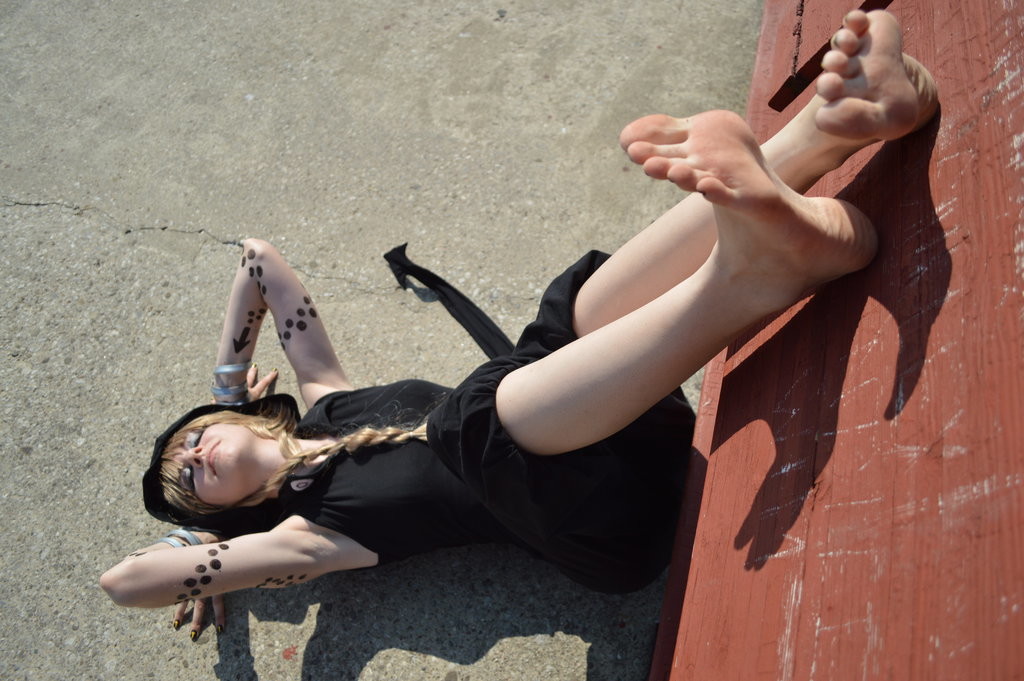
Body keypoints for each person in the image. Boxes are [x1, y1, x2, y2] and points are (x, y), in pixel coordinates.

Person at [102, 9, 938, 642]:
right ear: (224, 514)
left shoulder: (329, 398)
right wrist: (200, 545)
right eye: (190, 479)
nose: (193, 455)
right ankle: (753, 272)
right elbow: (124, 583)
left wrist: (226, 385)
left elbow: (258, 260)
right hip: (606, 515)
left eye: (189, 439)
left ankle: (829, 129)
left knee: (572, 313)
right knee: (474, 418)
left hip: (612, 408)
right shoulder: (306, 536)